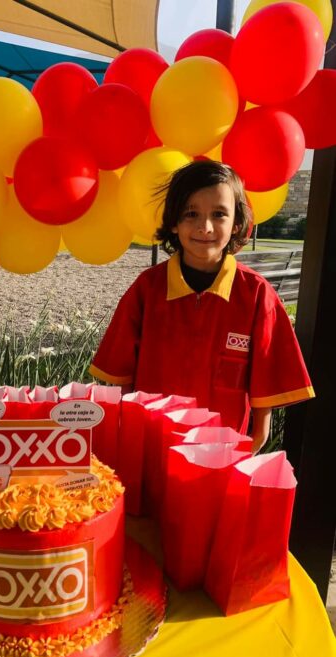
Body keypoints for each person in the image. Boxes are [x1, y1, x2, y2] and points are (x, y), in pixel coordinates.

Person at [89, 160, 314, 453]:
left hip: (221, 456)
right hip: (149, 448)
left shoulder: (257, 295)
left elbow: (265, 403)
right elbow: (118, 380)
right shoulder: (146, 290)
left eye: (219, 214)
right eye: (191, 213)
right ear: (173, 220)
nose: (204, 227)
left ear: (236, 223)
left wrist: (242, 452)